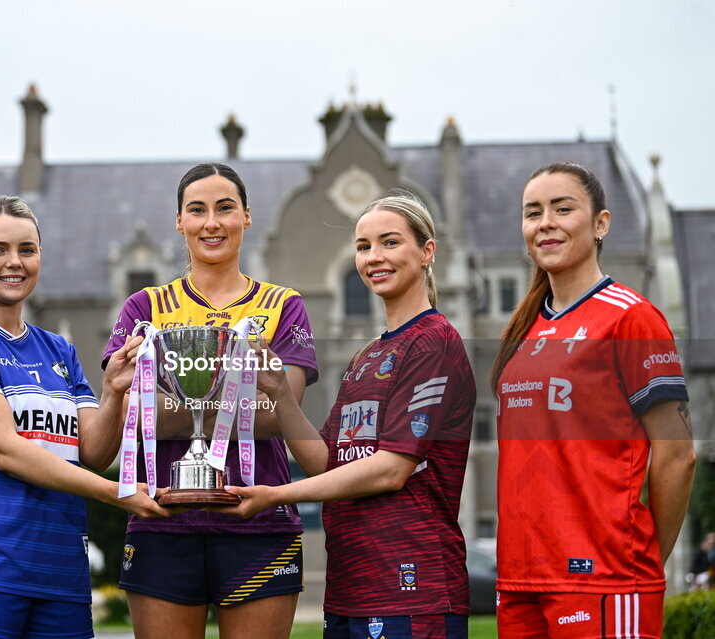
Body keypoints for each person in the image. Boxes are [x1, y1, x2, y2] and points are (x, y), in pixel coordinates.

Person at [223, 192, 474, 639]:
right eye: (363, 246)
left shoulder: (433, 342)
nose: (374, 257)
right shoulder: (367, 355)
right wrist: (280, 393)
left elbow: (391, 469)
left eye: (390, 242)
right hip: (350, 590)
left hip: (413, 591)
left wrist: (276, 494)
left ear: (427, 251)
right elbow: (327, 461)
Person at [0, 195, 167, 639]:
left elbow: (91, 451)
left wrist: (113, 390)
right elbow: (4, 450)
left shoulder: (59, 349)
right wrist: (117, 493)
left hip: (60, 572)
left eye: (26, 250)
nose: (13, 262)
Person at [101, 163, 319, 639]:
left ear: (247, 216)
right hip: (162, 518)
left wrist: (180, 404)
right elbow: (137, 417)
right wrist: (241, 390)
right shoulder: (144, 307)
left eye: (225, 208)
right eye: (196, 210)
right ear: (179, 221)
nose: (211, 222)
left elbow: (280, 414)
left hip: (260, 522)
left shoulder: (284, 305)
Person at [492, 162, 696, 637]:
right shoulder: (522, 332)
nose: (546, 222)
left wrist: (641, 558)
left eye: (563, 209)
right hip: (521, 579)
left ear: (600, 223)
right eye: (533, 212)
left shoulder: (632, 319)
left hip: (605, 577)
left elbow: (678, 455)